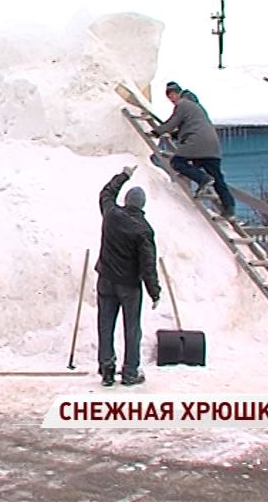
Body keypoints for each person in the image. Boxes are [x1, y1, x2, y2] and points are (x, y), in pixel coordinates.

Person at [95, 165, 162, 387]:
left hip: (105, 280)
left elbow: (106, 193)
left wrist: (123, 175)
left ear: (127, 201)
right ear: (142, 205)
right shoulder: (144, 229)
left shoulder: (112, 215)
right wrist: (154, 292)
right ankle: (130, 372)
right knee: (131, 328)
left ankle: (107, 369)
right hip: (129, 286)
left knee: (105, 324)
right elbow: (148, 265)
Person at [150, 81, 236, 219]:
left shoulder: (183, 104)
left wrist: (157, 132)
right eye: (169, 96)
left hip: (197, 143)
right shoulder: (196, 107)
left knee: (177, 162)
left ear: (179, 93)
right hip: (212, 146)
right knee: (218, 178)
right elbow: (191, 126)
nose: (172, 99)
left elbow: (173, 122)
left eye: (173, 94)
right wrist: (176, 135)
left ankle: (202, 178)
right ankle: (229, 207)